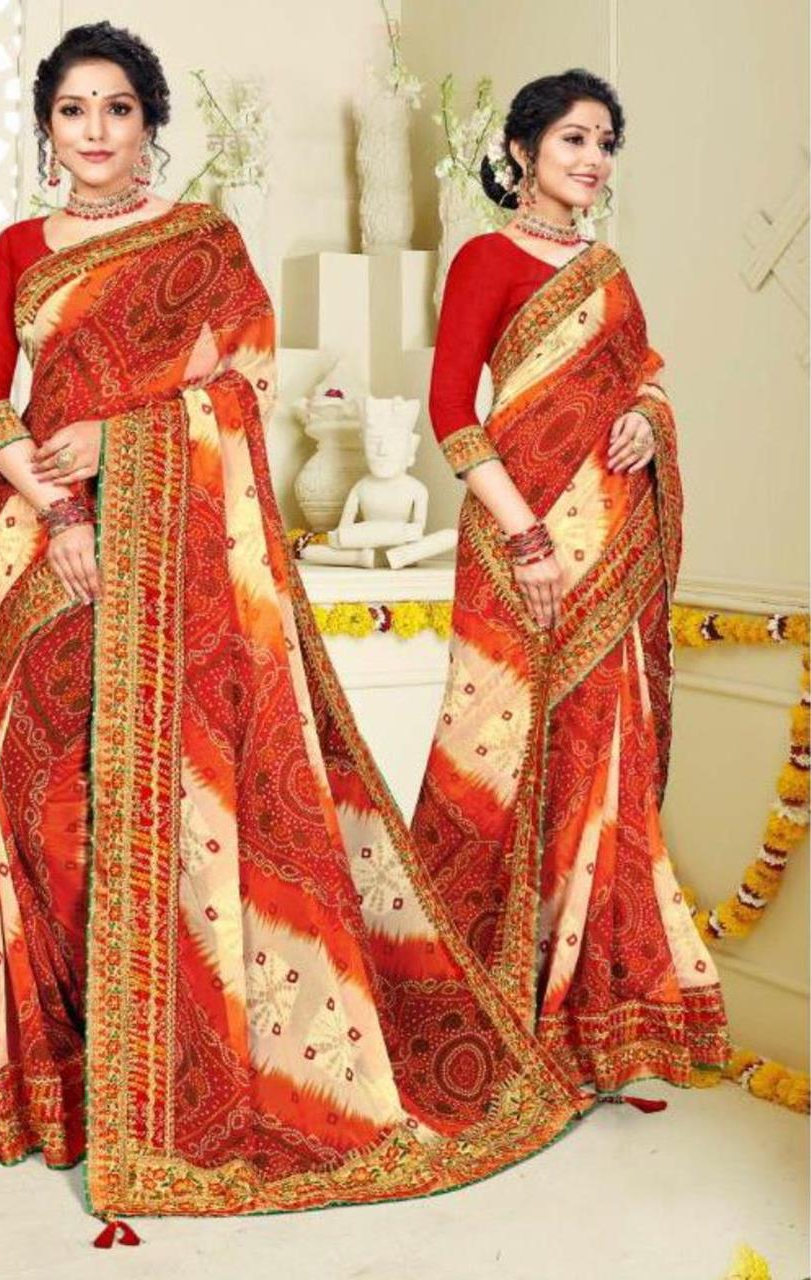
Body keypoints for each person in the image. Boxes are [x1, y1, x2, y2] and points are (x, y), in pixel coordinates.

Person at [0, 24, 591, 1231]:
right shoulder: (18, 248)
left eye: (116, 107)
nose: (94, 130)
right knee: (44, 801)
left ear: (149, 123)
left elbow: (242, 387)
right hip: (44, 544)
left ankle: (174, 1071)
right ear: (46, 126)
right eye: (72, 109)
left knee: (183, 795)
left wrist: (121, 442)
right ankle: (65, 1071)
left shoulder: (202, 240)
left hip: (179, 552)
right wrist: (62, 506)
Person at [411, 69, 730, 1100]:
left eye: (603, 143)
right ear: (521, 152)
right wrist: (527, 537)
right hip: (520, 543)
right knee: (494, 758)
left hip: (611, 548)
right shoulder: (486, 259)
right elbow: (450, 413)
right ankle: (473, 1009)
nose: (591, 160)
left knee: (602, 765)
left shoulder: (608, 271)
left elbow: (643, 374)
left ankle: (595, 1023)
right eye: (571, 140)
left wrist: (647, 416)